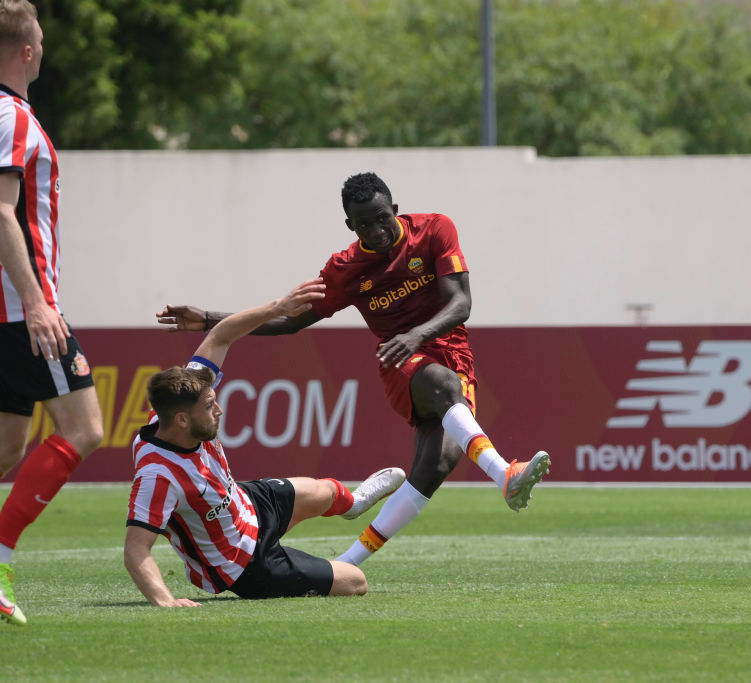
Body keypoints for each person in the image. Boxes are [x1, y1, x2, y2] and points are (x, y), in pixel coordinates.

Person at [157, 171, 550, 568]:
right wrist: (210, 319)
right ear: (350, 225)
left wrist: (417, 335)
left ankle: (348, 561)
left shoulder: (434, 229)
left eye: (382, 219)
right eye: (365, 225)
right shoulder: (345, 269)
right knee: (443, 384)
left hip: (450, 353)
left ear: (395, 210)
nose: (377, 231)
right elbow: (292, 321)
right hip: (401, 363)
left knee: (435, 466)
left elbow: (460, 304)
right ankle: (505, 475)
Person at [125, 278, 405, 606]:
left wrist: (278, 308)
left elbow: (220, 335)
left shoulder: (178, 402)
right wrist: (165, 601)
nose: (220, 409)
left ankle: (354, 505)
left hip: (247, 503)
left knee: (326, 491)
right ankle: (326, 571)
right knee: (356, 582)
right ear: (182, 420)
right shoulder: (157, 475)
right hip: (243, 565)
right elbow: (135, 549)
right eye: (209, 406)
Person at [0, 1, 104, 626]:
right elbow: (0, 211)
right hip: (23, 312)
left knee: (10, 443)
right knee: (85, 427)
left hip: (10, 311)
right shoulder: (10, 116)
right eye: (40, 38)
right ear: (29, 51)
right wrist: (37, 303)